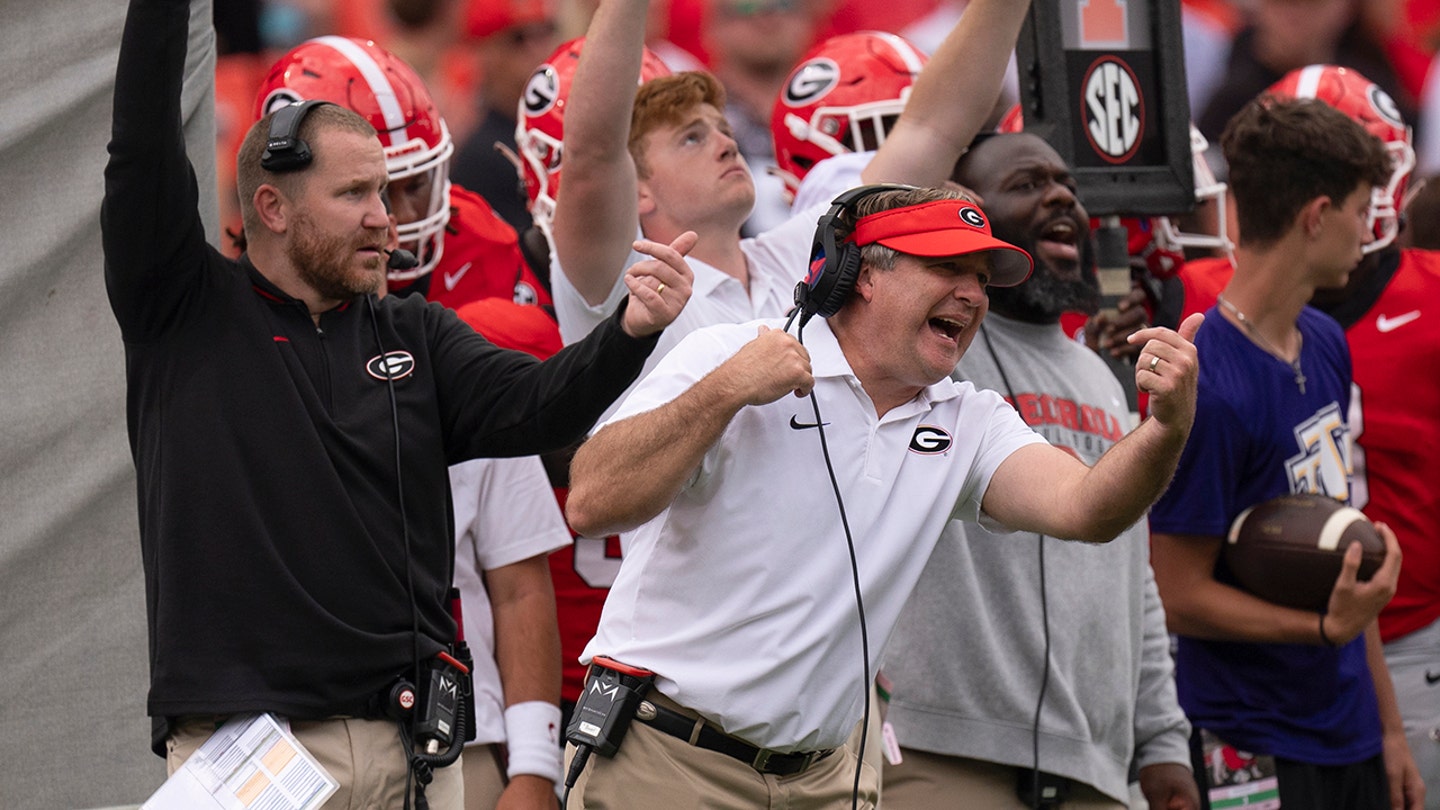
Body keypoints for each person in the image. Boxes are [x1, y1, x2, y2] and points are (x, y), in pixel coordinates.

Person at [101, 0, 694, 806]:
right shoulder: (185, 313)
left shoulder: (418, 331)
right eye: (356, 195)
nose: (386, 220)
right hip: (246, 752)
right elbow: (139, 143)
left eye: (387, 192)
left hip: (411, 746)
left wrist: (630, 329)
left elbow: (540, 407)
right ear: (271, 209)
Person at [562, 184, 1205, 808]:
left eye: (982, 277)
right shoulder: (731, 353)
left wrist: (1164, 428)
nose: (973, 294)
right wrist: (724, 391)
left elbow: (1088, 509)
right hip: (668, 754)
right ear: (860, 274)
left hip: (824, 780)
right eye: (948, 266)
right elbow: (591, 501)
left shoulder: (970, 418)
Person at [879, 133, 1200, 810]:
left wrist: (1163, 739)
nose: (1061, 197)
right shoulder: (925, 353)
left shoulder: (1098, 372)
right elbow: (918, 142)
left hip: (1093, 765)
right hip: (940, 751)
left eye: (1066, 186)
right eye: (1026, 185)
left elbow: (1132, 568)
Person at [1176, 63, 1440, 810]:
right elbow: (1175, 593)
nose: (1376, 223)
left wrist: (1387, 728)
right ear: (1317, 213)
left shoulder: (1323, 340)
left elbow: (1349, 550)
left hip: (1358, 704)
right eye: (1360, 207)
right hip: (1250, 724)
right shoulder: (1206, 362)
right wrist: (1320, 627)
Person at [548, 0, 1032, 366]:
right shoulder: (616, 283)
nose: (725, 145)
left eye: (723, 129)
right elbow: (592, 153)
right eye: (691, 139)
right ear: (637, 188)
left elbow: (934, 127)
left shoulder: (797, 252)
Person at [256, 35, 555, 313]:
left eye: (416, 185)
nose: (407, 216)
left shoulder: (474, 242)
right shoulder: (247, 297)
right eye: (362, 190)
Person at [451, 0, 561, 235]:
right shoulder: (481, 157)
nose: (538, 49)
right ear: (484, 52)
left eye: (547, 32)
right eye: (519, 38)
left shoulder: (561, 129)